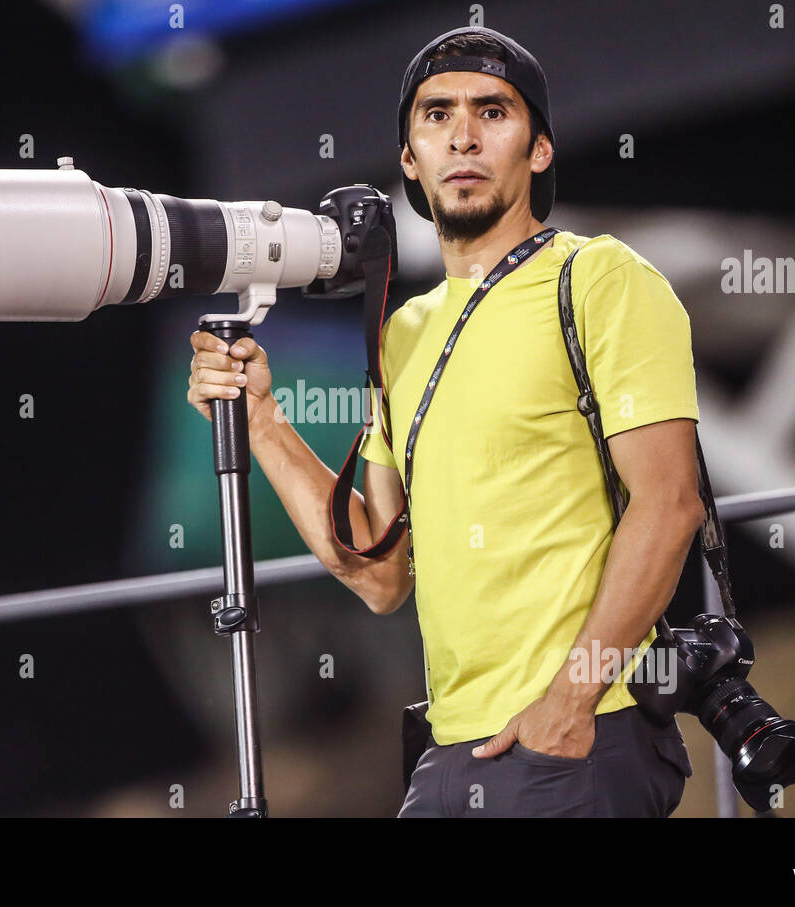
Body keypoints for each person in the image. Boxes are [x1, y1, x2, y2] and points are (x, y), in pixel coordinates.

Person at [188, 26, 699, 817]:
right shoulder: (403, 330)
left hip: (582, 730)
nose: (462, 134)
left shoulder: (598, 279)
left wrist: (569, 699)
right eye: (436, 115)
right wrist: (262, 423)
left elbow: (669, 506)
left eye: (492, 112)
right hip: (452, 744)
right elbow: (382, 572)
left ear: (539, 151)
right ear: (409, 160)